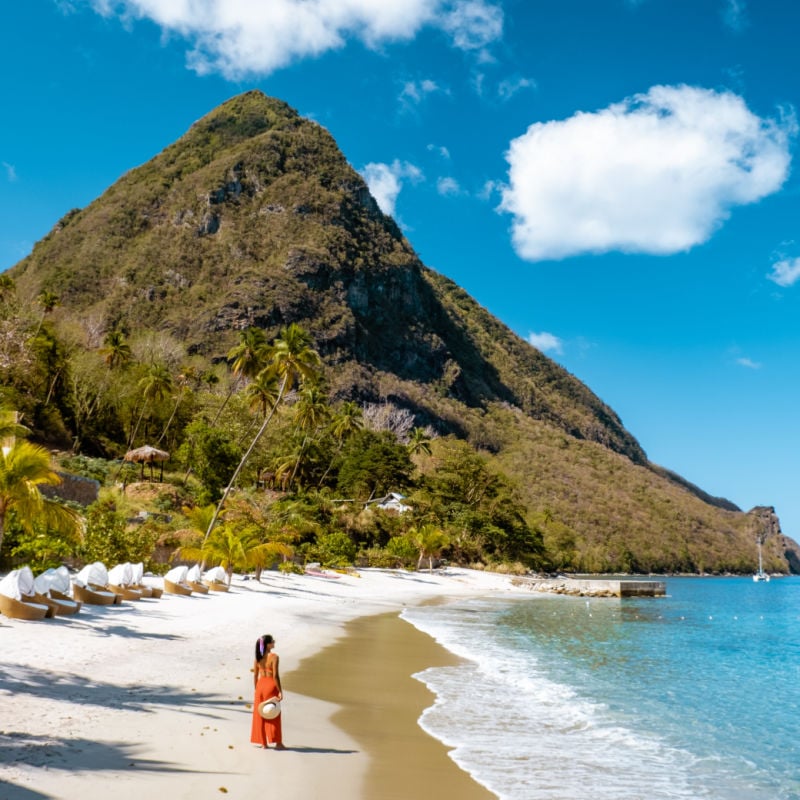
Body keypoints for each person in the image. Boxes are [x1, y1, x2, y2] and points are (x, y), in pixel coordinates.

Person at [250, 633, 285, 749]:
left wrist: (257, 689)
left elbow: (255, 675)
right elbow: (275, 676)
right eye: (273, 641)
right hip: (270, 685)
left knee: (261, 713)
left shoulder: (258, 658)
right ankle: (278, 743)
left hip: (260, 685)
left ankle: (263, 743)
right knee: (274, 712)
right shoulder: (274, 657)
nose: (274, 642)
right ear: (268, 645)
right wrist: (280, 691)